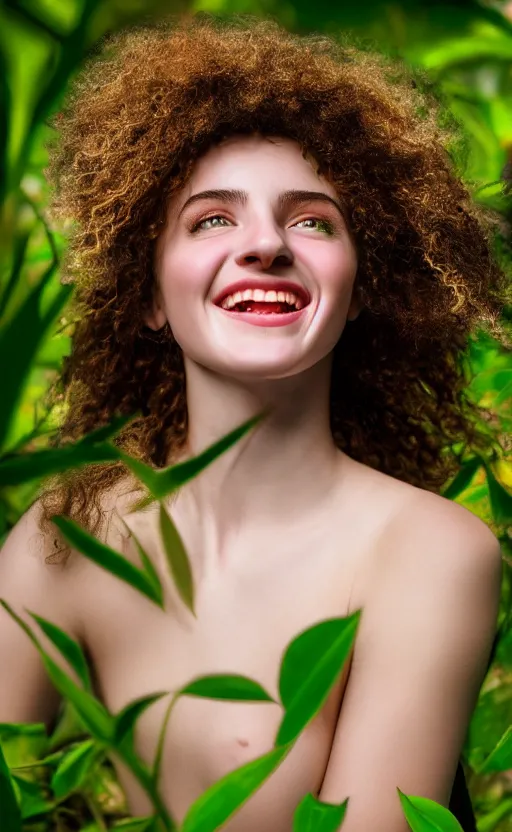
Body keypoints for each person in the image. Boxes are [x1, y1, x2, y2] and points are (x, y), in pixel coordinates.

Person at [0, 14, 508, 831]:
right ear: (147, 296)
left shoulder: (431, 552)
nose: (266, 244)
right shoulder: (61, 537)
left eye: (313, 220)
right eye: (211, 220)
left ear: (364, 289)